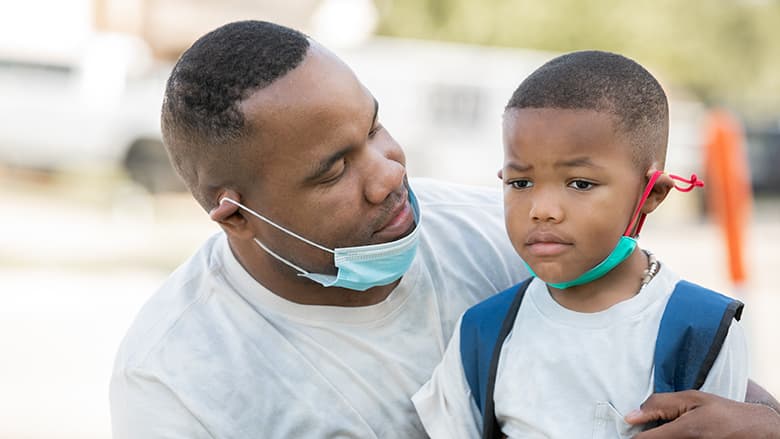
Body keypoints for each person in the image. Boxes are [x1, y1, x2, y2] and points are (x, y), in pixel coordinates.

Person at [109, 21, 780, 438]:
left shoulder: (505, 234)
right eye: (333, 170)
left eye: (374, 127)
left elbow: (681, 366)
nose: (387, 174)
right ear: (235, 212)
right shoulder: (179, 380)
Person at [410, 51, 760, 438]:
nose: (542, 211)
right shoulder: (482, 331)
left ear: (651, 194)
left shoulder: (701, 329)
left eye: (580, 184)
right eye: (520, 183)